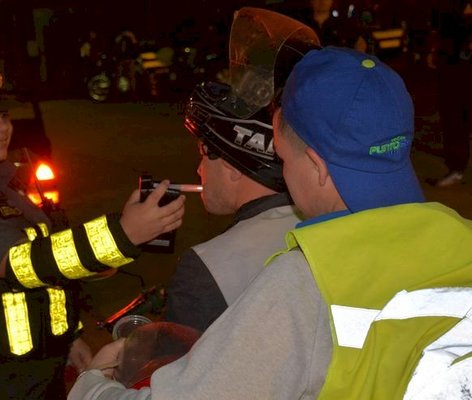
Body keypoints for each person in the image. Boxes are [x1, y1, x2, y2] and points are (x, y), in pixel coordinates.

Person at [69, 28, 472, 400]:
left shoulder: (307, 283)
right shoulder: (462, 238)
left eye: (283, 158)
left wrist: (92, 384)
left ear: (315, 165)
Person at [0, 59, 185, 400]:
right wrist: (121, 235)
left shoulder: (4, 185)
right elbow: (22, 264)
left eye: (4, 115)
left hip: (34, 377)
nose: (1, 127)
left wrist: (68, 337)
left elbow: (51, 272)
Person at [163, 14, 319, 330]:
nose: (198, 169)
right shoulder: (332, 224)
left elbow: (185, 377)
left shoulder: (207, 269)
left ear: (235, 164)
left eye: (204, 154)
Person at [426, 0, 472, 187]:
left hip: (462, 64)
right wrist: (434, 50)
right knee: (453, 118)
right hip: (452, 64)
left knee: (457, 117)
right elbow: (441, 25)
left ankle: (457, 167)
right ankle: (456, 168)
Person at [302, 0, 367, 52]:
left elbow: (359, 43)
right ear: (311, 1)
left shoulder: (342, 23)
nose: (322, 1)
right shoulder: (302, 24)